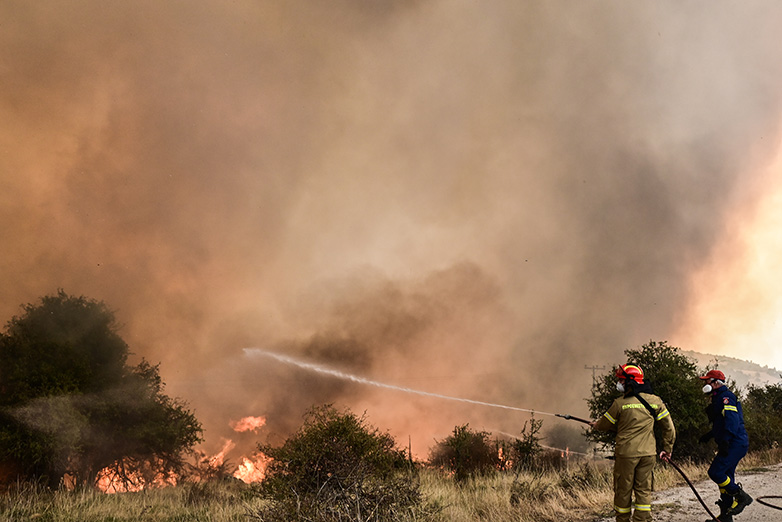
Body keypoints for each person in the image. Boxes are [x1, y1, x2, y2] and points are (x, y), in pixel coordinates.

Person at [591, 364, 676, 522]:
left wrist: (596, 425)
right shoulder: (656, 401)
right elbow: (669, 428)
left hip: (626, 455)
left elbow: (604, 425)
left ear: (630, 382)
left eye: (621, 381)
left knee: (623, 490)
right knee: (643, 491)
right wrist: (667, 449)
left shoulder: (619, 403)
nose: (619, 384)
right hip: (648, 454)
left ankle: (623, 520)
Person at [698, 369, 752, 522]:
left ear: (715, 383)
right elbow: (721, 423)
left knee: (715, 472)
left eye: (707, 381)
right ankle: (725, 517)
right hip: (734, 442)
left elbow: (732, 421)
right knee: (725, 476)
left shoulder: (726, 397)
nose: (705, 384)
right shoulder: (718, 397)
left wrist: (725, 441)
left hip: (735, 443)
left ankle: (741, 496)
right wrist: (710, 435)